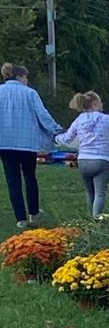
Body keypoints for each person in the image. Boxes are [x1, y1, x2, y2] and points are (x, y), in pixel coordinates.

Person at [0, 62, 61, 229]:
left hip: (4, 143)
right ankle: (33, 213)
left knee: (13, 180)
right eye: (26, 76)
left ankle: (20, 218)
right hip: (27, 142)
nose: (27, 80)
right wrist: (56, 129)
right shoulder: (30, 93)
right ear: (19, 76)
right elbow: (42, 114)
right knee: (30, 177)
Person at [56, 90, 109, 219]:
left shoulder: (79, 120)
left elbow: (67, 138)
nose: (102, 105)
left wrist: (55, 137)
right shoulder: (106, 119)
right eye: (100, 102)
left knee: (90, 193)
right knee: (100, 193)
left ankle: (90, 220)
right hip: (102, 159)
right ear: (95, 104)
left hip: (83, 160)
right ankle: (97, 221)